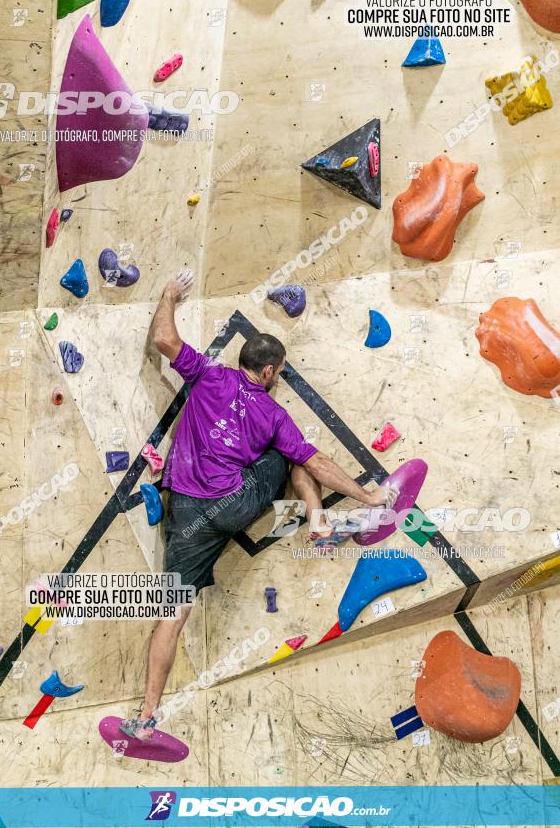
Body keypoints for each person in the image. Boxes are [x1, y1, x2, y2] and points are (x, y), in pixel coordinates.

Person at [121, 270, 397, 739]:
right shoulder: (272, 411)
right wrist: (368, 495)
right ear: (268, 372)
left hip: (186, 511)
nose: (280, 379)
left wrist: (169, 294)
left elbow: (164, 337)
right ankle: (318, 521)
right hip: (236, 502)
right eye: (281, 373)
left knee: (173, 612)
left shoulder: (207, 374)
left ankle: (147, 716)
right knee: (291, 455)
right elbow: (320, 462)